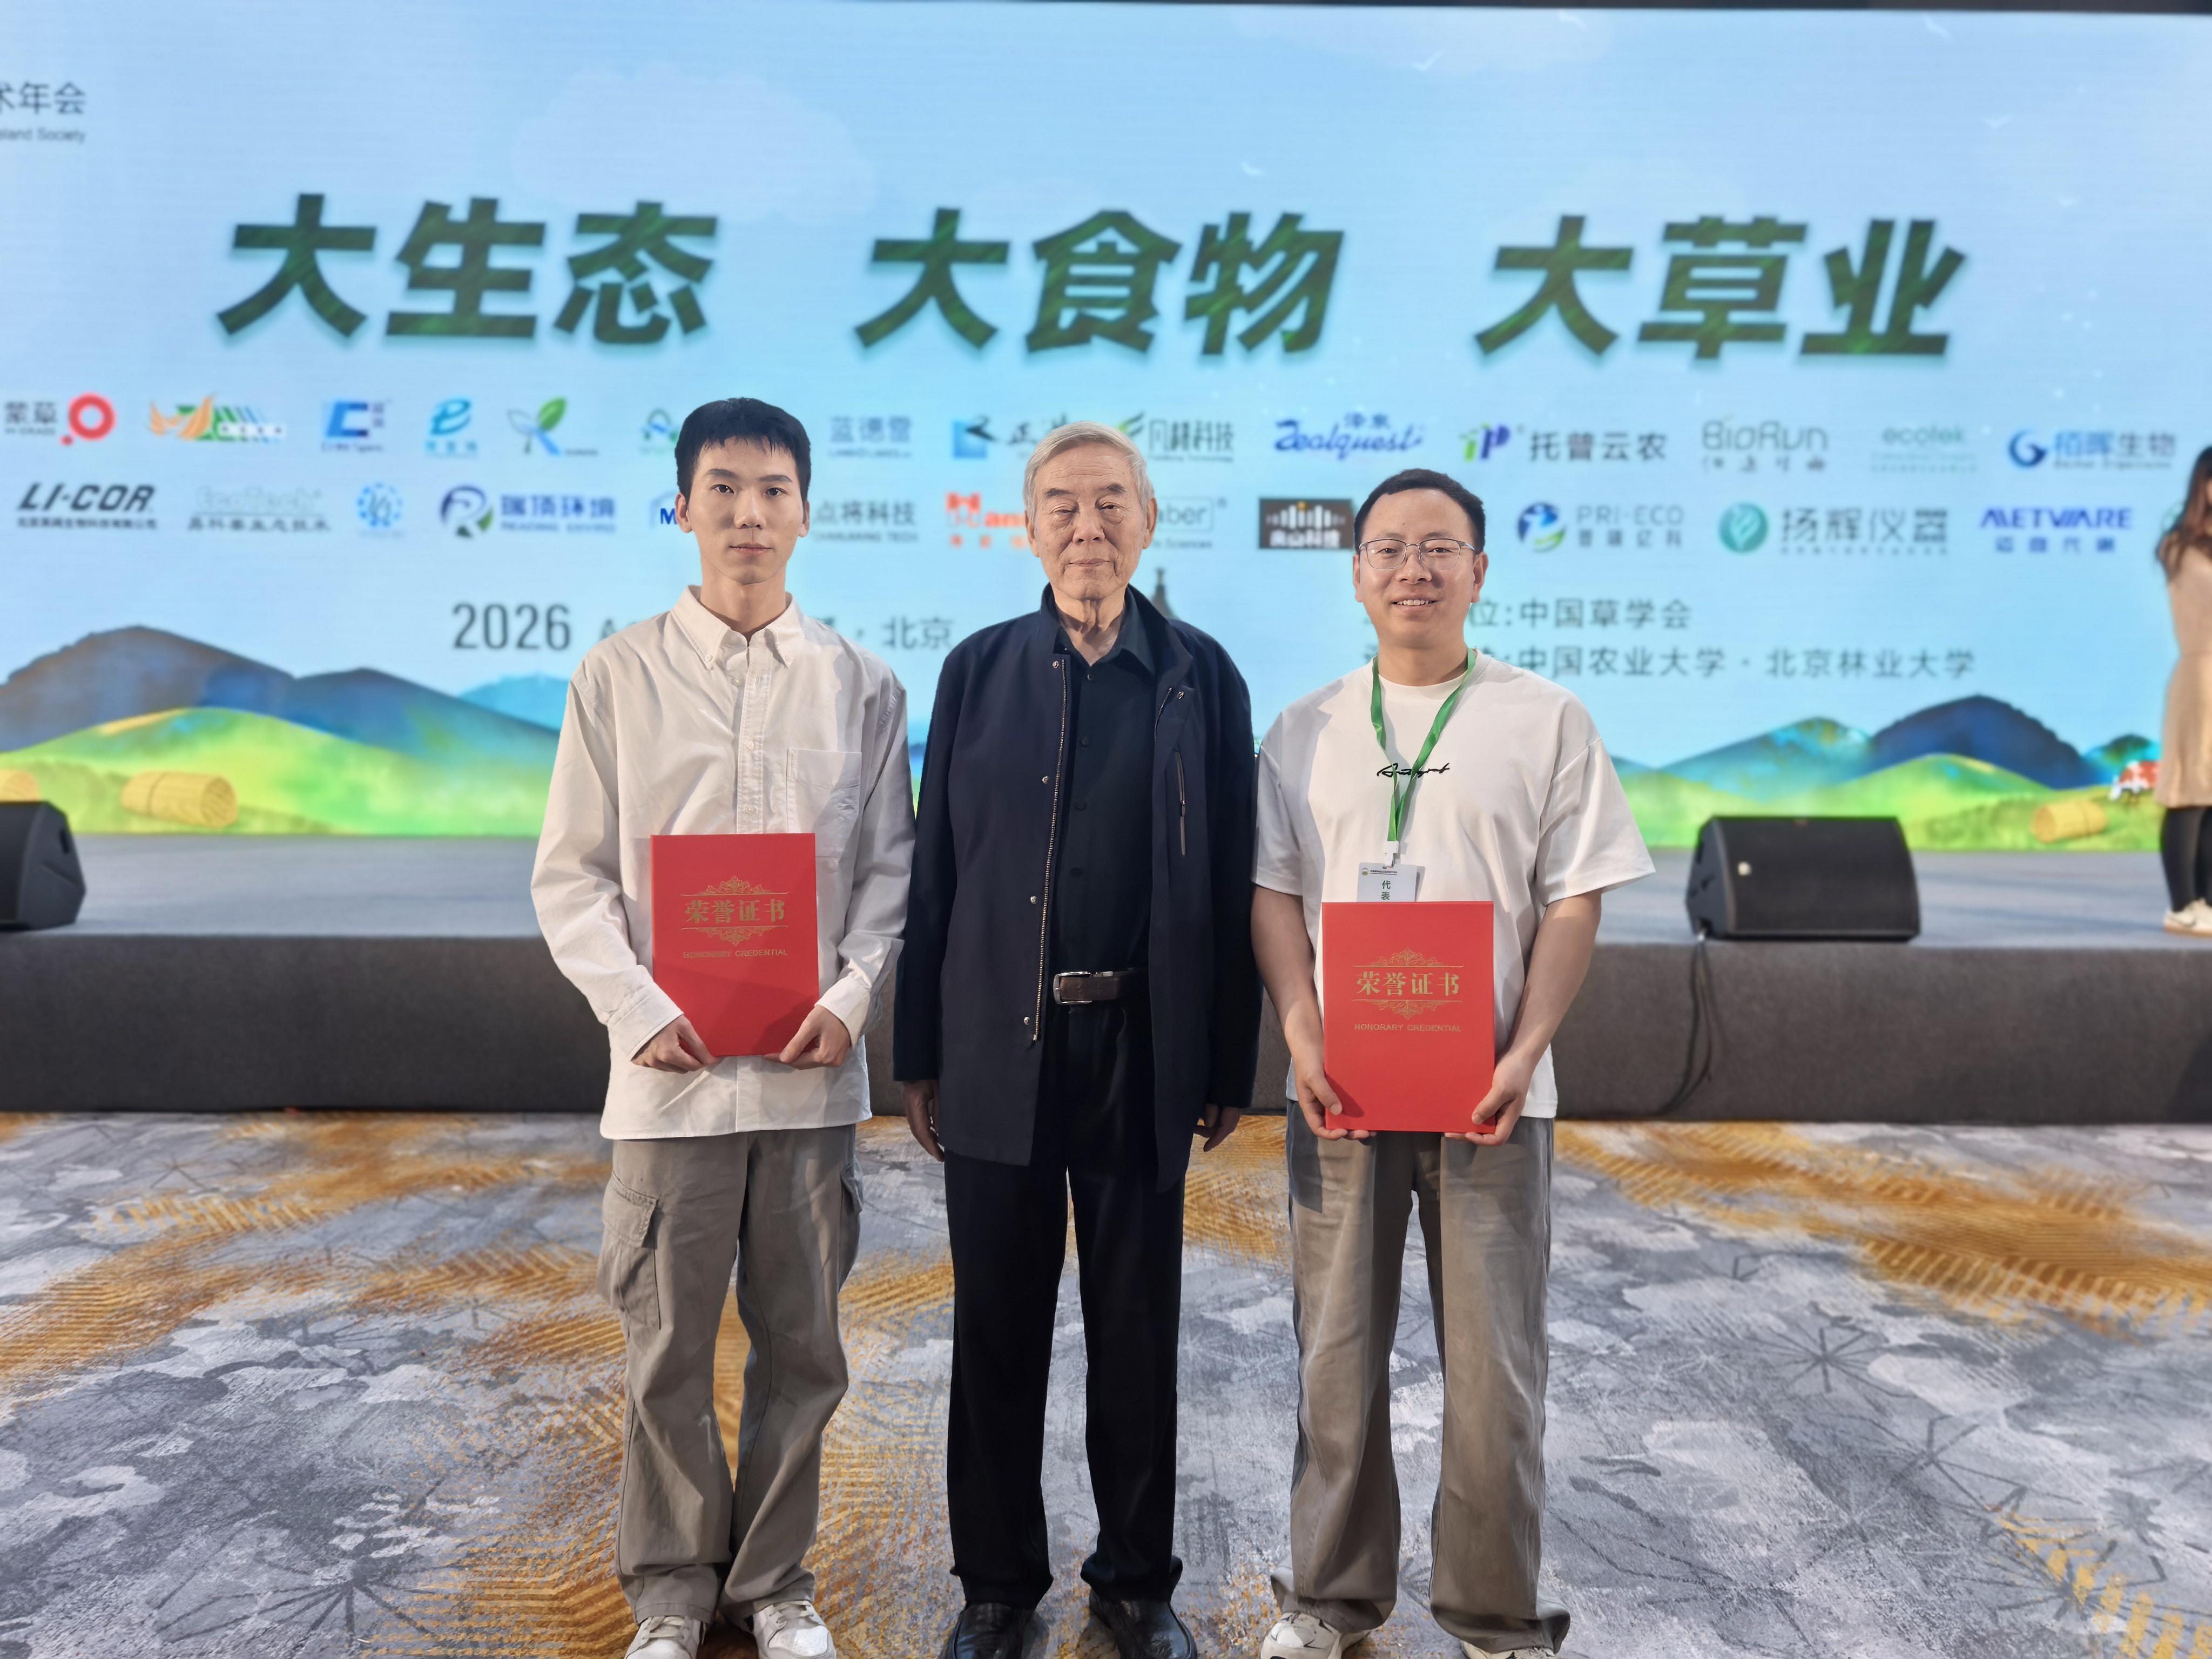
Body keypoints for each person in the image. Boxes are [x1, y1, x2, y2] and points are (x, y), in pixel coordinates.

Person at [532, 397, 914, 1659]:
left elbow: (890, 871)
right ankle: (668, 1589)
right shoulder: (617, 675)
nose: (748, 513)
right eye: (723, 488)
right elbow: (571, 874)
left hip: (809, 1082)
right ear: (682, 506)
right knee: (666, 1349)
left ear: (806, 511)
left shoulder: (861, 683)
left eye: (772, 490)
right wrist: (636, 1008)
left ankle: (774, 1582)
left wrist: (851, 995)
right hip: (672, 1086)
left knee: (805, 1348)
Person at [1248, 468, 1653, 1659]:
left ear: (1479, 571)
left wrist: (1525, 1050)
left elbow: (1573, 898)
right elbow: (1273, 896)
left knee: (1494, 1378)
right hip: (1340, 1096)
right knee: (1333, 1363)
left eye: (1439, 548)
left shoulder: (1546, 718)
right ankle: (1329, 1598)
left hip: (1492, 1100)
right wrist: (1300, 1030)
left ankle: (1493, 1614)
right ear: (1355, 574)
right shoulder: (1305, 727)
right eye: (1388, 548)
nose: (1412, 569)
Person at [895, 421, 1262, 1659]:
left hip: (1142, 1050)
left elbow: (1230, 873)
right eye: (1061, 502)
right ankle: (996, 1584)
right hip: (998, 1044)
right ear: (1027, 524)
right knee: (995, 1327)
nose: (1086, 524)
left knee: (1136, 1331)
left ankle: (1135, 1583)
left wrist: (1226, 1058)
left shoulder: (1202, 676)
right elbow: (936, 872)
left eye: (1111, 501)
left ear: (1148, 520)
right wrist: (918, 1049)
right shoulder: (976, 670)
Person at [2156, 444, 2212, 935]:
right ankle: (2182, 904)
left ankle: (2208, 902)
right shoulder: (2181, 547)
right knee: (2189, 790)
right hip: (2203, 676)